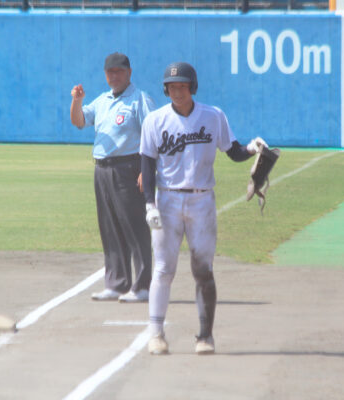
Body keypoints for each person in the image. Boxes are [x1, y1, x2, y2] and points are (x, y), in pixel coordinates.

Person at [139, 61, 269, 355]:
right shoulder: (155, 120)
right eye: (172, 87)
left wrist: (252, 148)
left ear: (193, 87)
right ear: (166, 90)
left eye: (182, 86)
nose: (177, 92)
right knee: (163, 269)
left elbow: (232, 151)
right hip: (167, 200)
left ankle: (205, 337)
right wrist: (149, 204)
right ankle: (156, 334)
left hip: (202, 202)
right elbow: (146, 164)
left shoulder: (213, 116)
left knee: (203, 270)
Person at [70, 52, 155, 303]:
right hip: (102, 169)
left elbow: (153, 135)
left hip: (129, 167)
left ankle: (142, 286)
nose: (115, 76)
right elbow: (78, 121)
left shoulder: (140, 99)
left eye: (119, 71)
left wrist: (147, 170)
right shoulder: (102, 100)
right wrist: (77, 101)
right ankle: (117, 283)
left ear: (129, 73)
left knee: (135, 227)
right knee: (110, 227)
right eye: (110, 72)